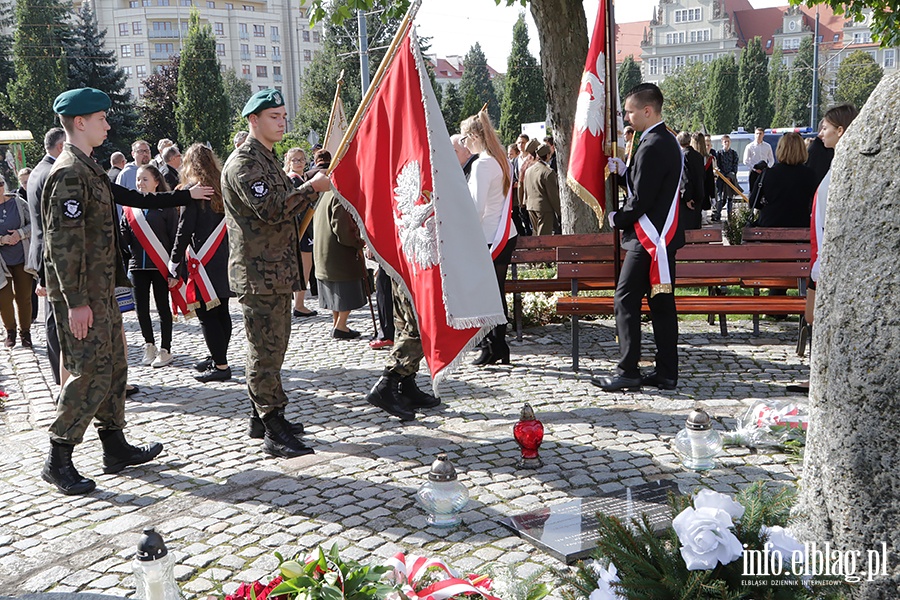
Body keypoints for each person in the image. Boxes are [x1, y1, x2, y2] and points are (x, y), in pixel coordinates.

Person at [41, 87, 163, 495]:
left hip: (100, 290)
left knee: (113, 368)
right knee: (88, 372)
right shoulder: (68, 172)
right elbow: (62, 245)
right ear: (80, 123)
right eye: (101, 119)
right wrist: (76, 303)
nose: (107, 125)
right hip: (81, 297)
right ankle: (58, 457)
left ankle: (115, 446)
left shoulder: (88, 167)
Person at [221, 88, 330, 458]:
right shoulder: (244, 164)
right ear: (253, 120)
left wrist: (307, 189)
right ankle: (272, 424)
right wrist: (312, 188)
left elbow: (287, 206)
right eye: (273, 117)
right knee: (264, 351)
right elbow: (270, 208)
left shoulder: (267, 159)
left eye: (283, 116)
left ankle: (260, 415)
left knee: (275, 347)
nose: (282, 122)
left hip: (276, 270)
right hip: (258, 273)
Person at [595, 83, 683, 392]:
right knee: (660, 304)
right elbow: (646, 185)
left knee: (626, 300)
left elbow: (642, 199)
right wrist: (623, 174)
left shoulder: (652, 144)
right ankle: (666, 372)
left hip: (646, 241)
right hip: (660, 238)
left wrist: (616, 218)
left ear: (648, 111)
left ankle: (628, 371)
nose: (627, 118)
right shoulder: (662, 140)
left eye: (630, 111)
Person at [787, 105, 858, 396]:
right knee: (814, 317)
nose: (820, 133)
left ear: (840, 131)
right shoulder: (835, 162)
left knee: (819, 317)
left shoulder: (847, 165)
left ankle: (824, 377)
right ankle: (818, 375)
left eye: (825, 127)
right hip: (821, 256)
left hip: (829, 259)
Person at [169, 144, 234, 383]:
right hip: (224, 256)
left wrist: (174, 261)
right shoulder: (223, 185)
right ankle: (217, 355)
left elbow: (184, 230)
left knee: (207, 315)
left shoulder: (192, 190)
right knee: (222, 310)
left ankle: (221, 365)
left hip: (203, 261)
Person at [461, 108, 516, 366]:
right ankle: (497, 346)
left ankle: (492, 346)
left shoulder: (483, 163)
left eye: (464, 138)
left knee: (486, 295)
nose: (463, 143)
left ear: (474, 135)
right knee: (495, 293)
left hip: (488, 237)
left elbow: (476, 207)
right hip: (502, 233)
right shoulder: (499, 158)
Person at [120, 165, 179, 368]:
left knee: (163, 307)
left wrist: (175, 269)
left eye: (145, 179)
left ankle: (165, 349)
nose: (140, 183)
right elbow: (123, 235)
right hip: (137, 266)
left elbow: (174, 238)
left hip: (160, 265)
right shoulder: (130, 208)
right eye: (138, 179)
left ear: (156, 181)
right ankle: (149, 345)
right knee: (142, 309)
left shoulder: (166, 205)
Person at [27, 128, 67, 382]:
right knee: (55, 319)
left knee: (53, 316)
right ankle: (61, 375)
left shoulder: (38, 170)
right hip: (48, 256)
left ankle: (59, 374)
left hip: (41, 253)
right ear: (61, 147)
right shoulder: (51, 172)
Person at [313, 192, 367, 339]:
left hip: (324, 254)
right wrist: (359, 242)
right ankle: (341, 325)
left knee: (335, 292)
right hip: (338, 254)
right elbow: (343, 230)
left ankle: (337, 323)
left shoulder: (325, 194)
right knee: (345, 291)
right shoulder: (339, 196)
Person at [1, 177, 37, 348]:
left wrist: (20, 234)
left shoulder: (18, 202)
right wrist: (3, 239)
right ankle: (10, 331)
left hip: (22, 258)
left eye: (1, 184)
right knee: (4, 299)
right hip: (2, 263)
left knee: (24, 297)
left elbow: (35, 224)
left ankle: (25, 332)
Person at [756, 133, 818, 228]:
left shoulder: (768, 173)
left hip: (770, 225)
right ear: (802, 150)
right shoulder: (810, 174)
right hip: (800, 225)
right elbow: (817, 203)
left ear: (780, 149)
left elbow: (753, 202)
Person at [283, 147, 317, 318]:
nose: (298, 162)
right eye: (294, 160)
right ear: (288, 162)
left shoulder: (301, 178)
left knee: (305, 266)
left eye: (301, 159)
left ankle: (300, 302)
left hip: (305, 227)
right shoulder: (293, 180)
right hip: (301, 227)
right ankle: (299, 304)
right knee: (304, 266)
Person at [523, 143, 560, 236]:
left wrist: (525, 202)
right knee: (544, 236)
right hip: (544, 208)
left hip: (531, 206)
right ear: (547, 155)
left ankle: (536, 250)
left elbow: (526, 188)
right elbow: (553, 195)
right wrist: (559, 211)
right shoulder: (548, 172)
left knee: (535, 234)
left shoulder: (528, 170)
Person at [677, 131, 704, 231]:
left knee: (687, 229)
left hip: (688, 198)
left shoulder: (683, 156)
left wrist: (687, 197)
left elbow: (685, 177)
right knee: (696, 226)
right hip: (699, 194)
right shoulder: (698, 156)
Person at [712, 134, 739, 223]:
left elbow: (735, 166)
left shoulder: (734, 153)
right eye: (725, 141)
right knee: (719, 197)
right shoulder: (718, 153)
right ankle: (718, 215)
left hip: (730, 178)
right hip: (721, 178)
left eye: (728, 141)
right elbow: (717, 165)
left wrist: (730, 176)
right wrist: (722, 176)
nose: (726, 143)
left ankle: (730, 216)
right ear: (722, 142)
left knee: (729, 198)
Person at [691, 132, 716, 220]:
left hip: (693, 188)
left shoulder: (688, 156)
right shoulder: (707, 158)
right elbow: (710, 179)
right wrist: (712, 195)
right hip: (703, 188)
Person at [743, 127, 774, 193]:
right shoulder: (749, 146)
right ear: (754, 134)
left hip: (764, 171)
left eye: (760, 134)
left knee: (765, 190)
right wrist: (755, 169)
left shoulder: (767, 146)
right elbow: (745, 161)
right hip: (754, 172)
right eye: (757, 134)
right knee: (753, 191)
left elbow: (771, 160)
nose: (758, 135)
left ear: (763, 135)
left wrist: (767, 168)